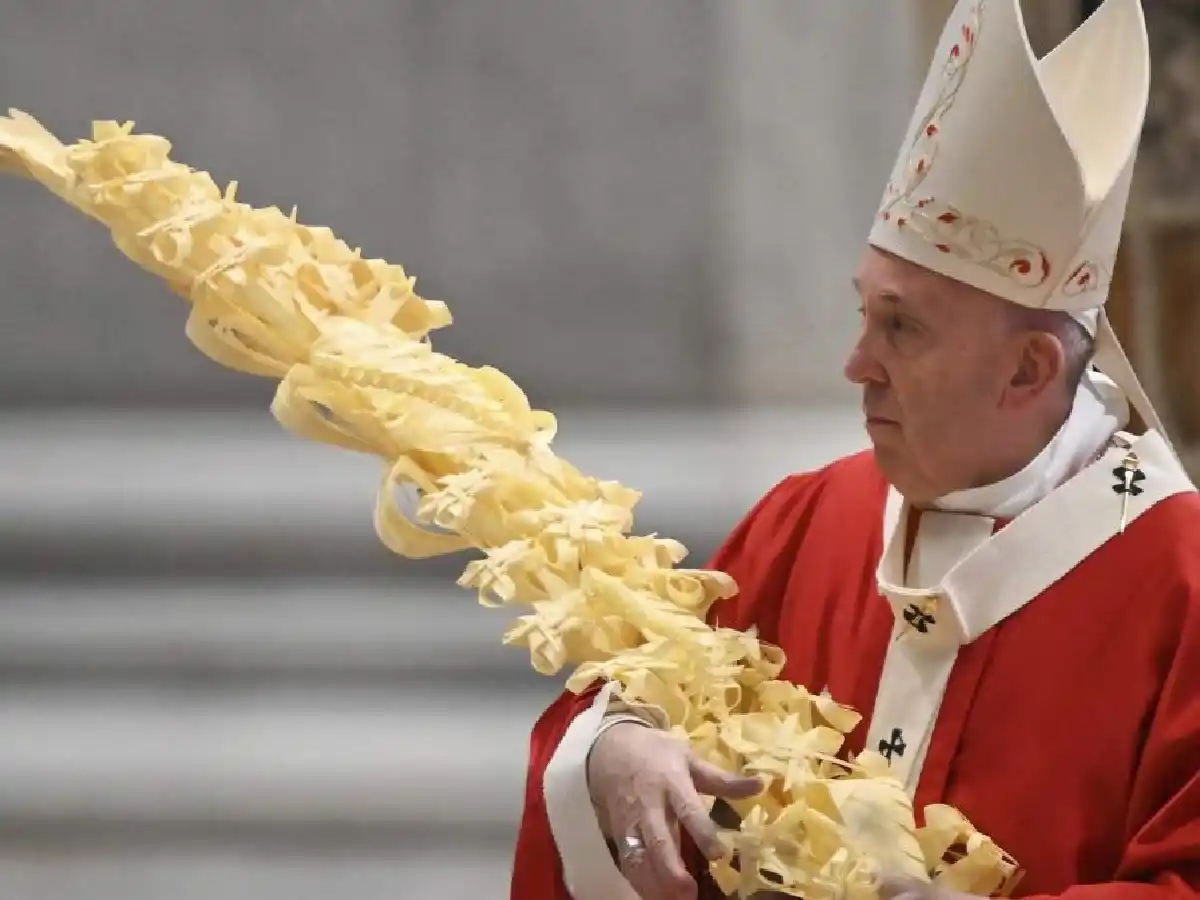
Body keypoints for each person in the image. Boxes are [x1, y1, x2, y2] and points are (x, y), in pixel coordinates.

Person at [508, 0, 1200, 898]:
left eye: (902, 329)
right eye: (864, 312)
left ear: (1029, 369)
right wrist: (612, 752)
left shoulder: (1177, 580)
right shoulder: (807, 521)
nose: (855, 364)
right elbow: (630, 698)